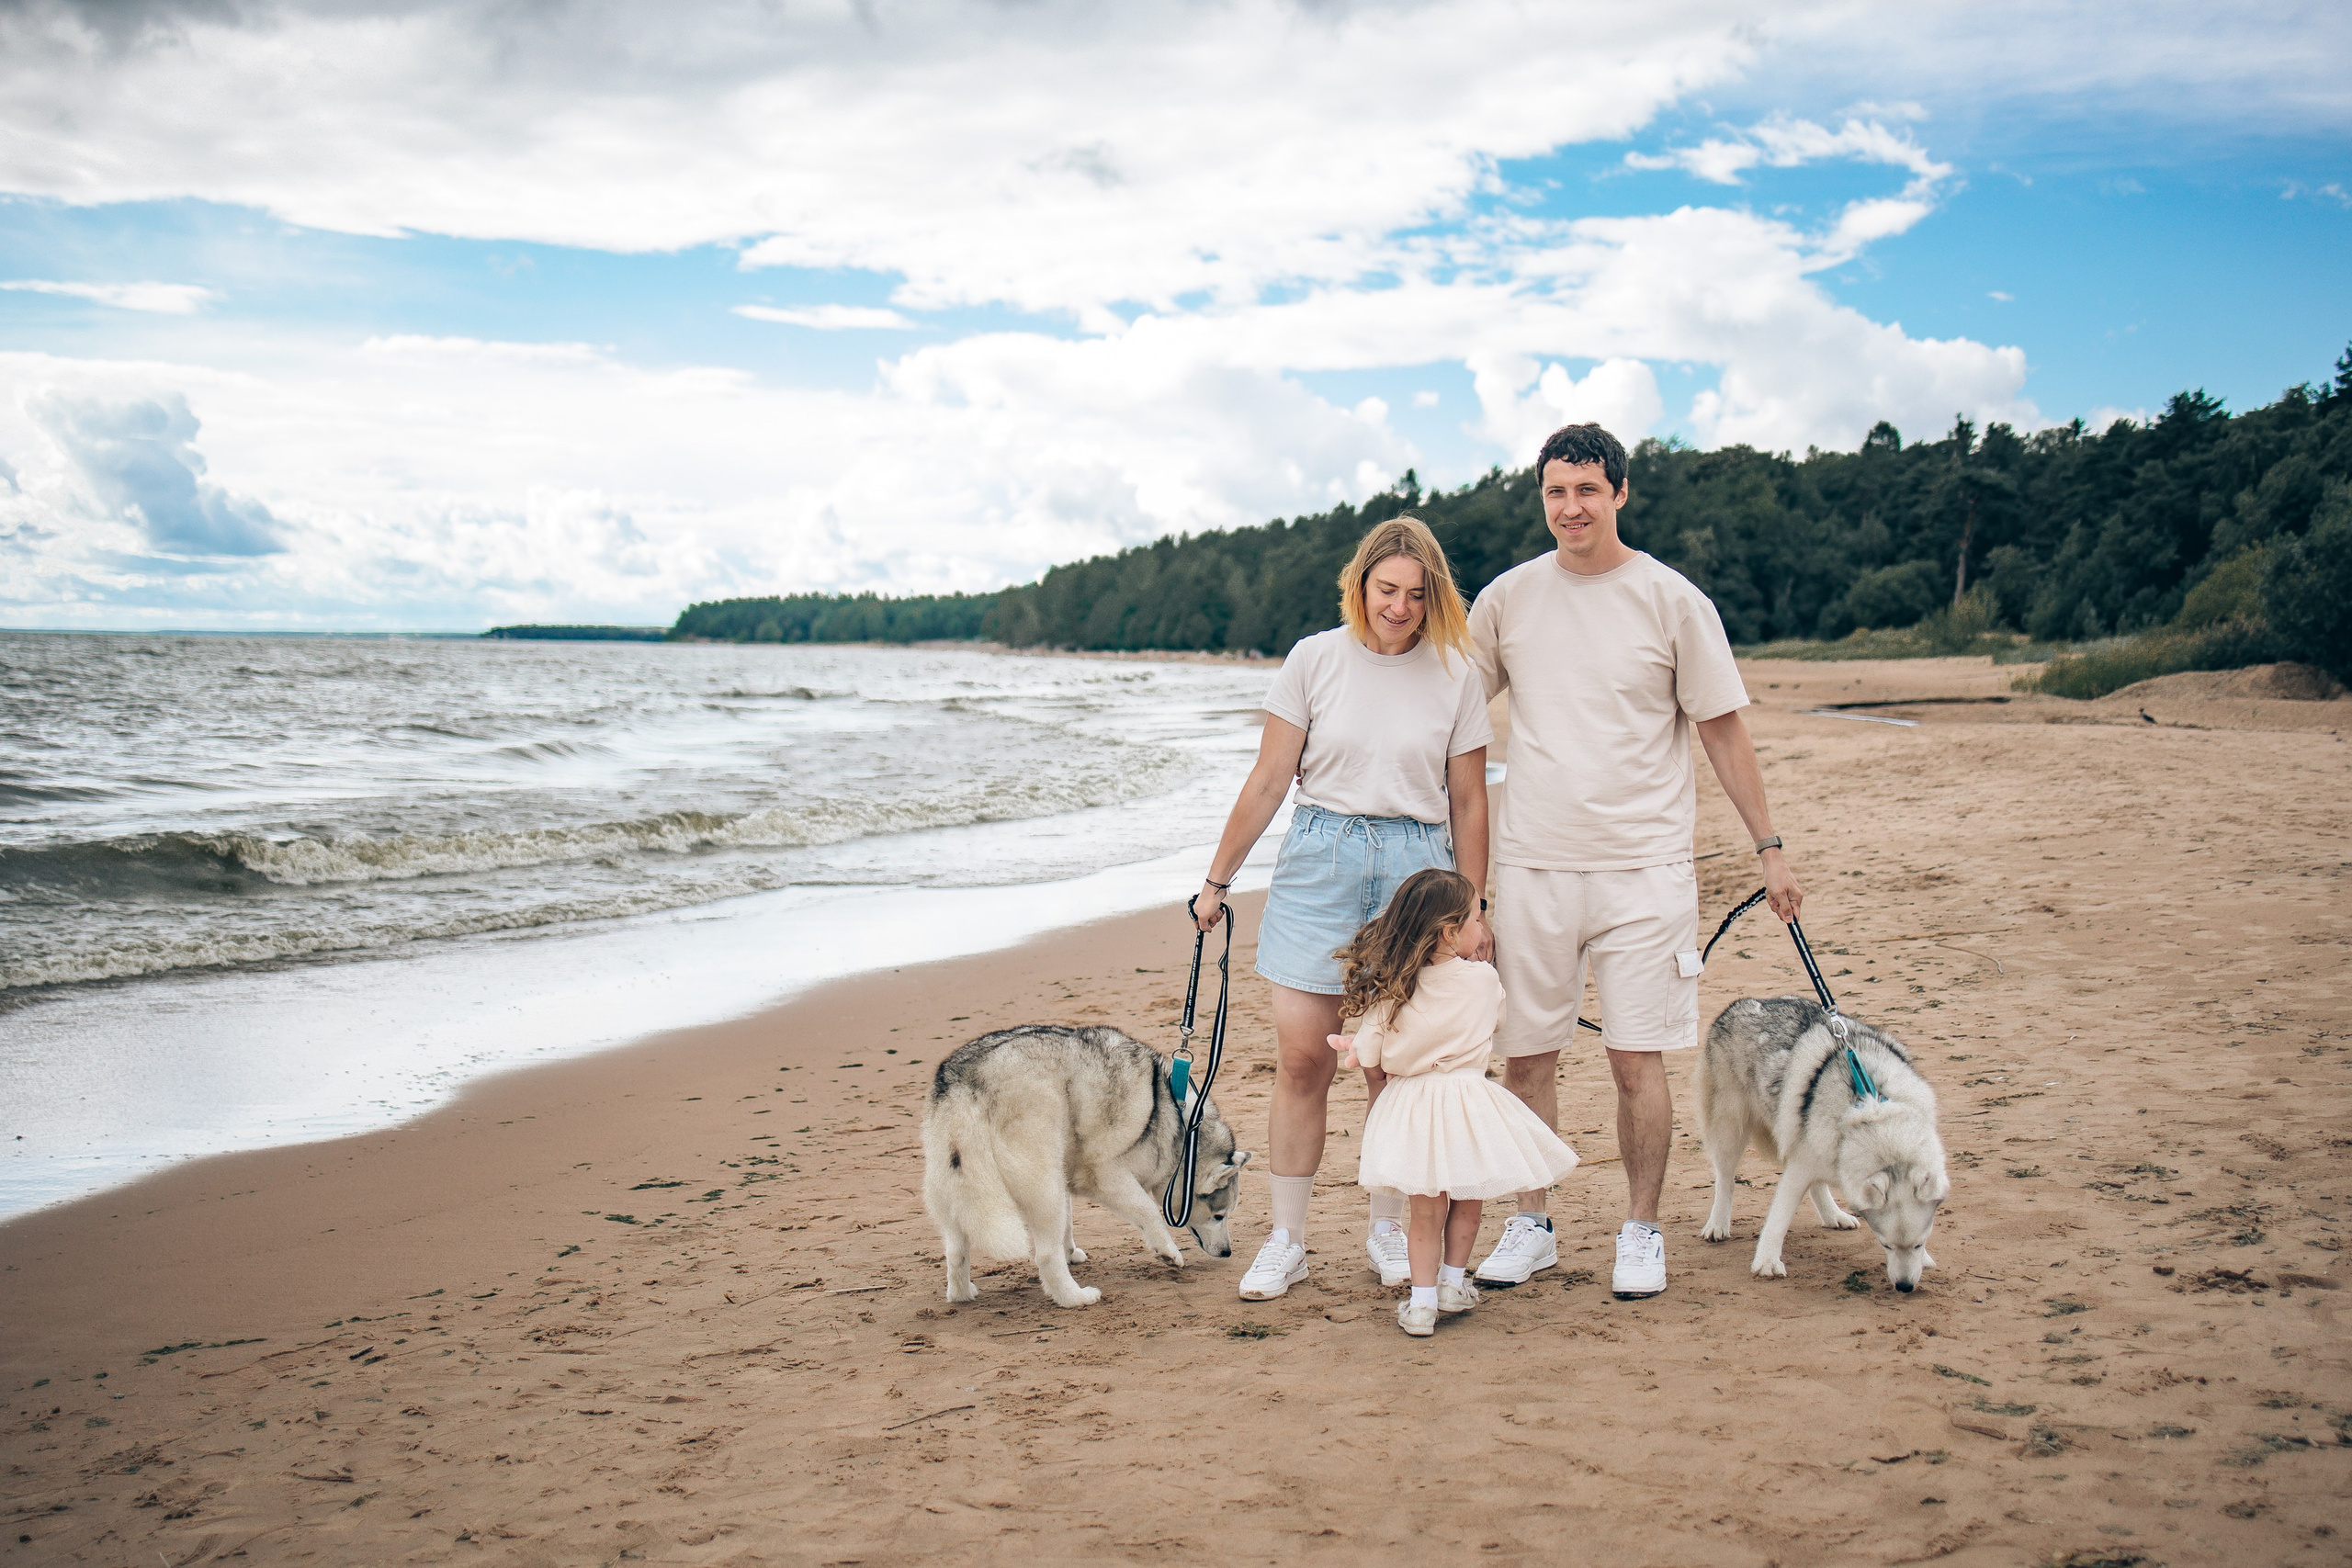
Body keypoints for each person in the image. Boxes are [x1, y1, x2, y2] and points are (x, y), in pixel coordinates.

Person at [1465, 423, 1804, 1300]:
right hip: (1534, 866)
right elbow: (1450, 710)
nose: (1569, 507)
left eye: (1586, 489)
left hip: (1644, 869)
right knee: (1527, 1056)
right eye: (1554, 492)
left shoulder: (1672, 599)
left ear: (1621, 492)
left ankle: (1641, 1230)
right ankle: (1531, 1222)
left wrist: (1769, 849)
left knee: (1634, 1058)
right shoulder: (1506, 600)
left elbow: (1725, 731)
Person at [1193, 515, 1493, 1301]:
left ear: (1434, 600)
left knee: (1395, 1067)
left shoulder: (1457, 672)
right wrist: (1217, 881)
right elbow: (1268, 779)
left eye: (1415, 595)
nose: (1398, 607)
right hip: (1319, 860)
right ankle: (1287, 1239)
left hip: (1416, 874)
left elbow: (1468, 799)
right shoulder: (1314, 658)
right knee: (1304, 1059)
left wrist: (1474, 910)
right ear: (1360, 583)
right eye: (1386, 589)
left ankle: (1389, 1229)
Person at [1328, 868, 1579, 1336]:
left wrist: (1351, 1051)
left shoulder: (1392, 990)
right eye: (1476, 920)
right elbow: (1496, 1022)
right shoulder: (1483, 980)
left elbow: (1371, 1054)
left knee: (1425, 1209)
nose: (1481, 930)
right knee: (1467, 1198)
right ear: (1450, 932)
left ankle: (1421, 1305)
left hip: (1414, 1106)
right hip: (1468, 1102)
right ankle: (1452, 1283)